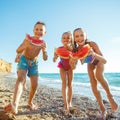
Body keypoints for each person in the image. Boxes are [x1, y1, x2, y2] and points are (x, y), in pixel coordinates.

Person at [73, 28, 118, 119]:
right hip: (90, 64)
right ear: (74, 39)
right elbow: (77, 64)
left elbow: (104, 60)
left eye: (82, 35)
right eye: (77, 36)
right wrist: (73, 60)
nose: (80, 38)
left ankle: (110, 96)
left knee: (98, 76)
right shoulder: (76, 50)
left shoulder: (92, 44)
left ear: (86, 36)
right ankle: (102, 109)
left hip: (99, 61)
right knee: (93, 84)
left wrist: (94, 54)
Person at [4, 21, 48, 114]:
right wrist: (25, 45)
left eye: (41, 30)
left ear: (45, 33)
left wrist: (44, 51)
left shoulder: (43, 43)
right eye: (36, 29)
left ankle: (30, 102)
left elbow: (45, 59)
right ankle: (15, 104)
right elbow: (18, 50)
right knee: (20, 78)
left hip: (34, 63)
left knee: (35, 85)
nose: (38, 31)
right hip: (24, 59)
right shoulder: (27, 39)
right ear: (33, 30)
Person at [53, 31, 75, 115]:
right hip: (62, 66)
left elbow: (75, 58)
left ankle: (69, 102)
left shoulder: (73, 49)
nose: (66, 39)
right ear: (61, 40)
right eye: (64, 38)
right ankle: (65, 104)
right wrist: (55, 57)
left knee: (70, 84)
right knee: (64, 83)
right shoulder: (59, 48)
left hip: (70, 67)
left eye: (68, 38)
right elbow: (54, 59)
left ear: (71, 40)